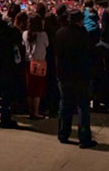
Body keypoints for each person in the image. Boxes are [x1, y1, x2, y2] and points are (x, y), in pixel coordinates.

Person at [55, 10, 97, 148]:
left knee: (65, 105)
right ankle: (84, 138)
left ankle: (63, 133)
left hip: (64, 74)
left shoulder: (60, 33)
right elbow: (90, 53)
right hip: (81, 75)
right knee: (83, 107)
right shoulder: (83, 34)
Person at [23, 13, 49, 119]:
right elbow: (47, 45)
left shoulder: (25, 33)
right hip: (40, 62)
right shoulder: (43, 35)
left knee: (29, 88)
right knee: (38, 88)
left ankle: (30, 111)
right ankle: (36, 111)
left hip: (28, 62)